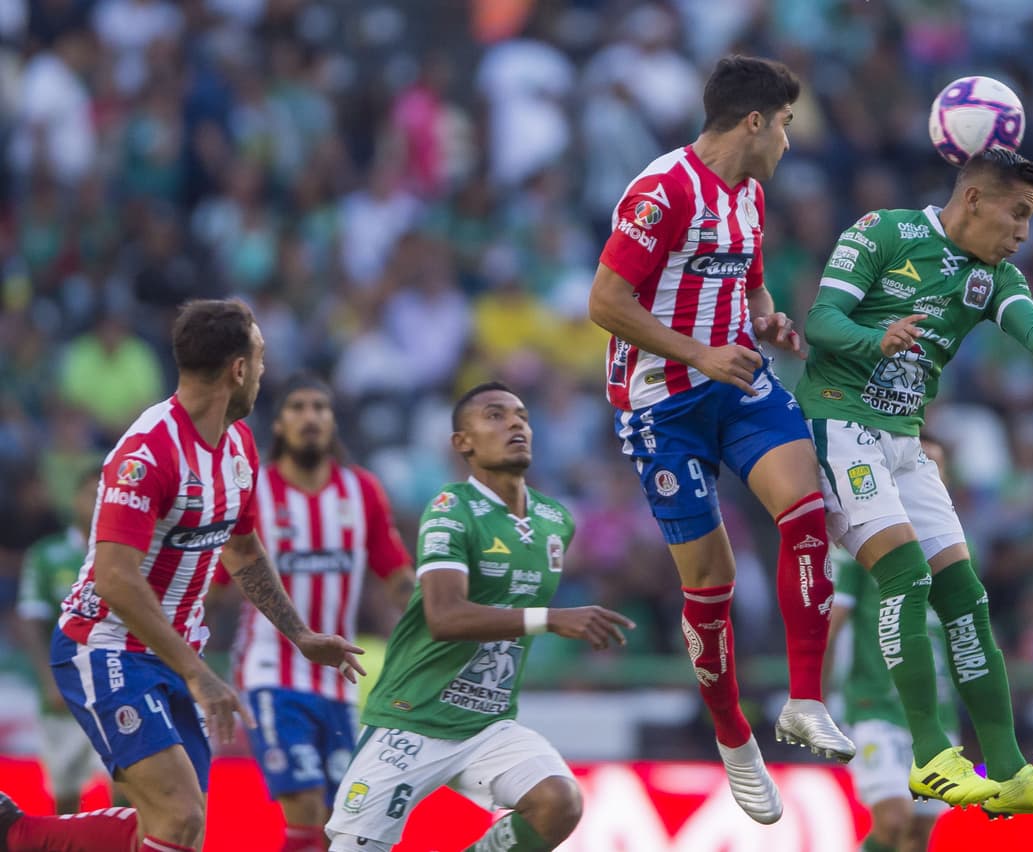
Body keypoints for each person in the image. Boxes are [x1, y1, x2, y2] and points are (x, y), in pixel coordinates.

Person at [797, 147, 1033, 816]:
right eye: (1017, 214)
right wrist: (873, 339)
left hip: (905, 442)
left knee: (965, 595)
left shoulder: (994, 275)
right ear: (973, 199)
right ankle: (931, 757)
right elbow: (821, 322)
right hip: (839, 422)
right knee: (906, 572)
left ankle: (1008, 769)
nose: (1024, 232)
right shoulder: (883, 231)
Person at [587, 54, 852, 826]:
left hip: (738, 385)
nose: (790, 143)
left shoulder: (750, 196)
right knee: (713, 581)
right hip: (660, 405)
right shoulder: (662, 190)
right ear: (755, 122)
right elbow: (604, 300)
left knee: (808, 509)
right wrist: (698, 352)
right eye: (788, 127)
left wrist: (766, 316)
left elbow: (750, 282)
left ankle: (805, 700)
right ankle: (735, 740)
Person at [0, 299, 365, 852]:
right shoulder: (148, 452)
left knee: (175, 830)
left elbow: (242, 551)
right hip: (105, 647)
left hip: (172, 656)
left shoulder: (238, 446)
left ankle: (19, 834)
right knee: (178, 816)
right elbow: (114, 578)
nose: (264, 374)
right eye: (261, 360)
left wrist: (302, 635)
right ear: (238, 369)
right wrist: (198, 674)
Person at [325, 382, 634, 852]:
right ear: (462, 442)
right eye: (495, 415)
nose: (515, 423)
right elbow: (444, 616)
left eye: (522, 416)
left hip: (486, 724)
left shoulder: (556, 520)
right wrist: (548, 618)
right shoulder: (452, 510)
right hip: (413, 719)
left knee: (558, 801)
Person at [211, 374, 413, 852]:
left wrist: (437, 613)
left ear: (333, 421)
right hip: (270, 674)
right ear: (280, 423)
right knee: (303, 812)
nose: (310, 417)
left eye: (320, 408)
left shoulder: (359, 490)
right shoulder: (253, 492)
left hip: (337, 682)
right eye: (298, 407)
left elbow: (395, 573)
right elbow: (216, 585)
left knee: (335, 824)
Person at [824, 437, 959, 852]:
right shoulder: (866, 543)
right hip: (875, 704)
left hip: (936, 715)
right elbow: (833, 622)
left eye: (936, 469)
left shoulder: (953, 549)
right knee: (893, 821)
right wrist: (813, 696)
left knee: (917, 835)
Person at [15, 469, 129, 814]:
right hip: (64, 693)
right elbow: (32, 619)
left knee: (125, 783)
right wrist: (49, 680)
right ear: (74, 500)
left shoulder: (127, 552)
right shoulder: (47, 555)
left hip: (116, 687)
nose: (95, 501)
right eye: (89, 493)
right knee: (65, 794)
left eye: (103, 493)